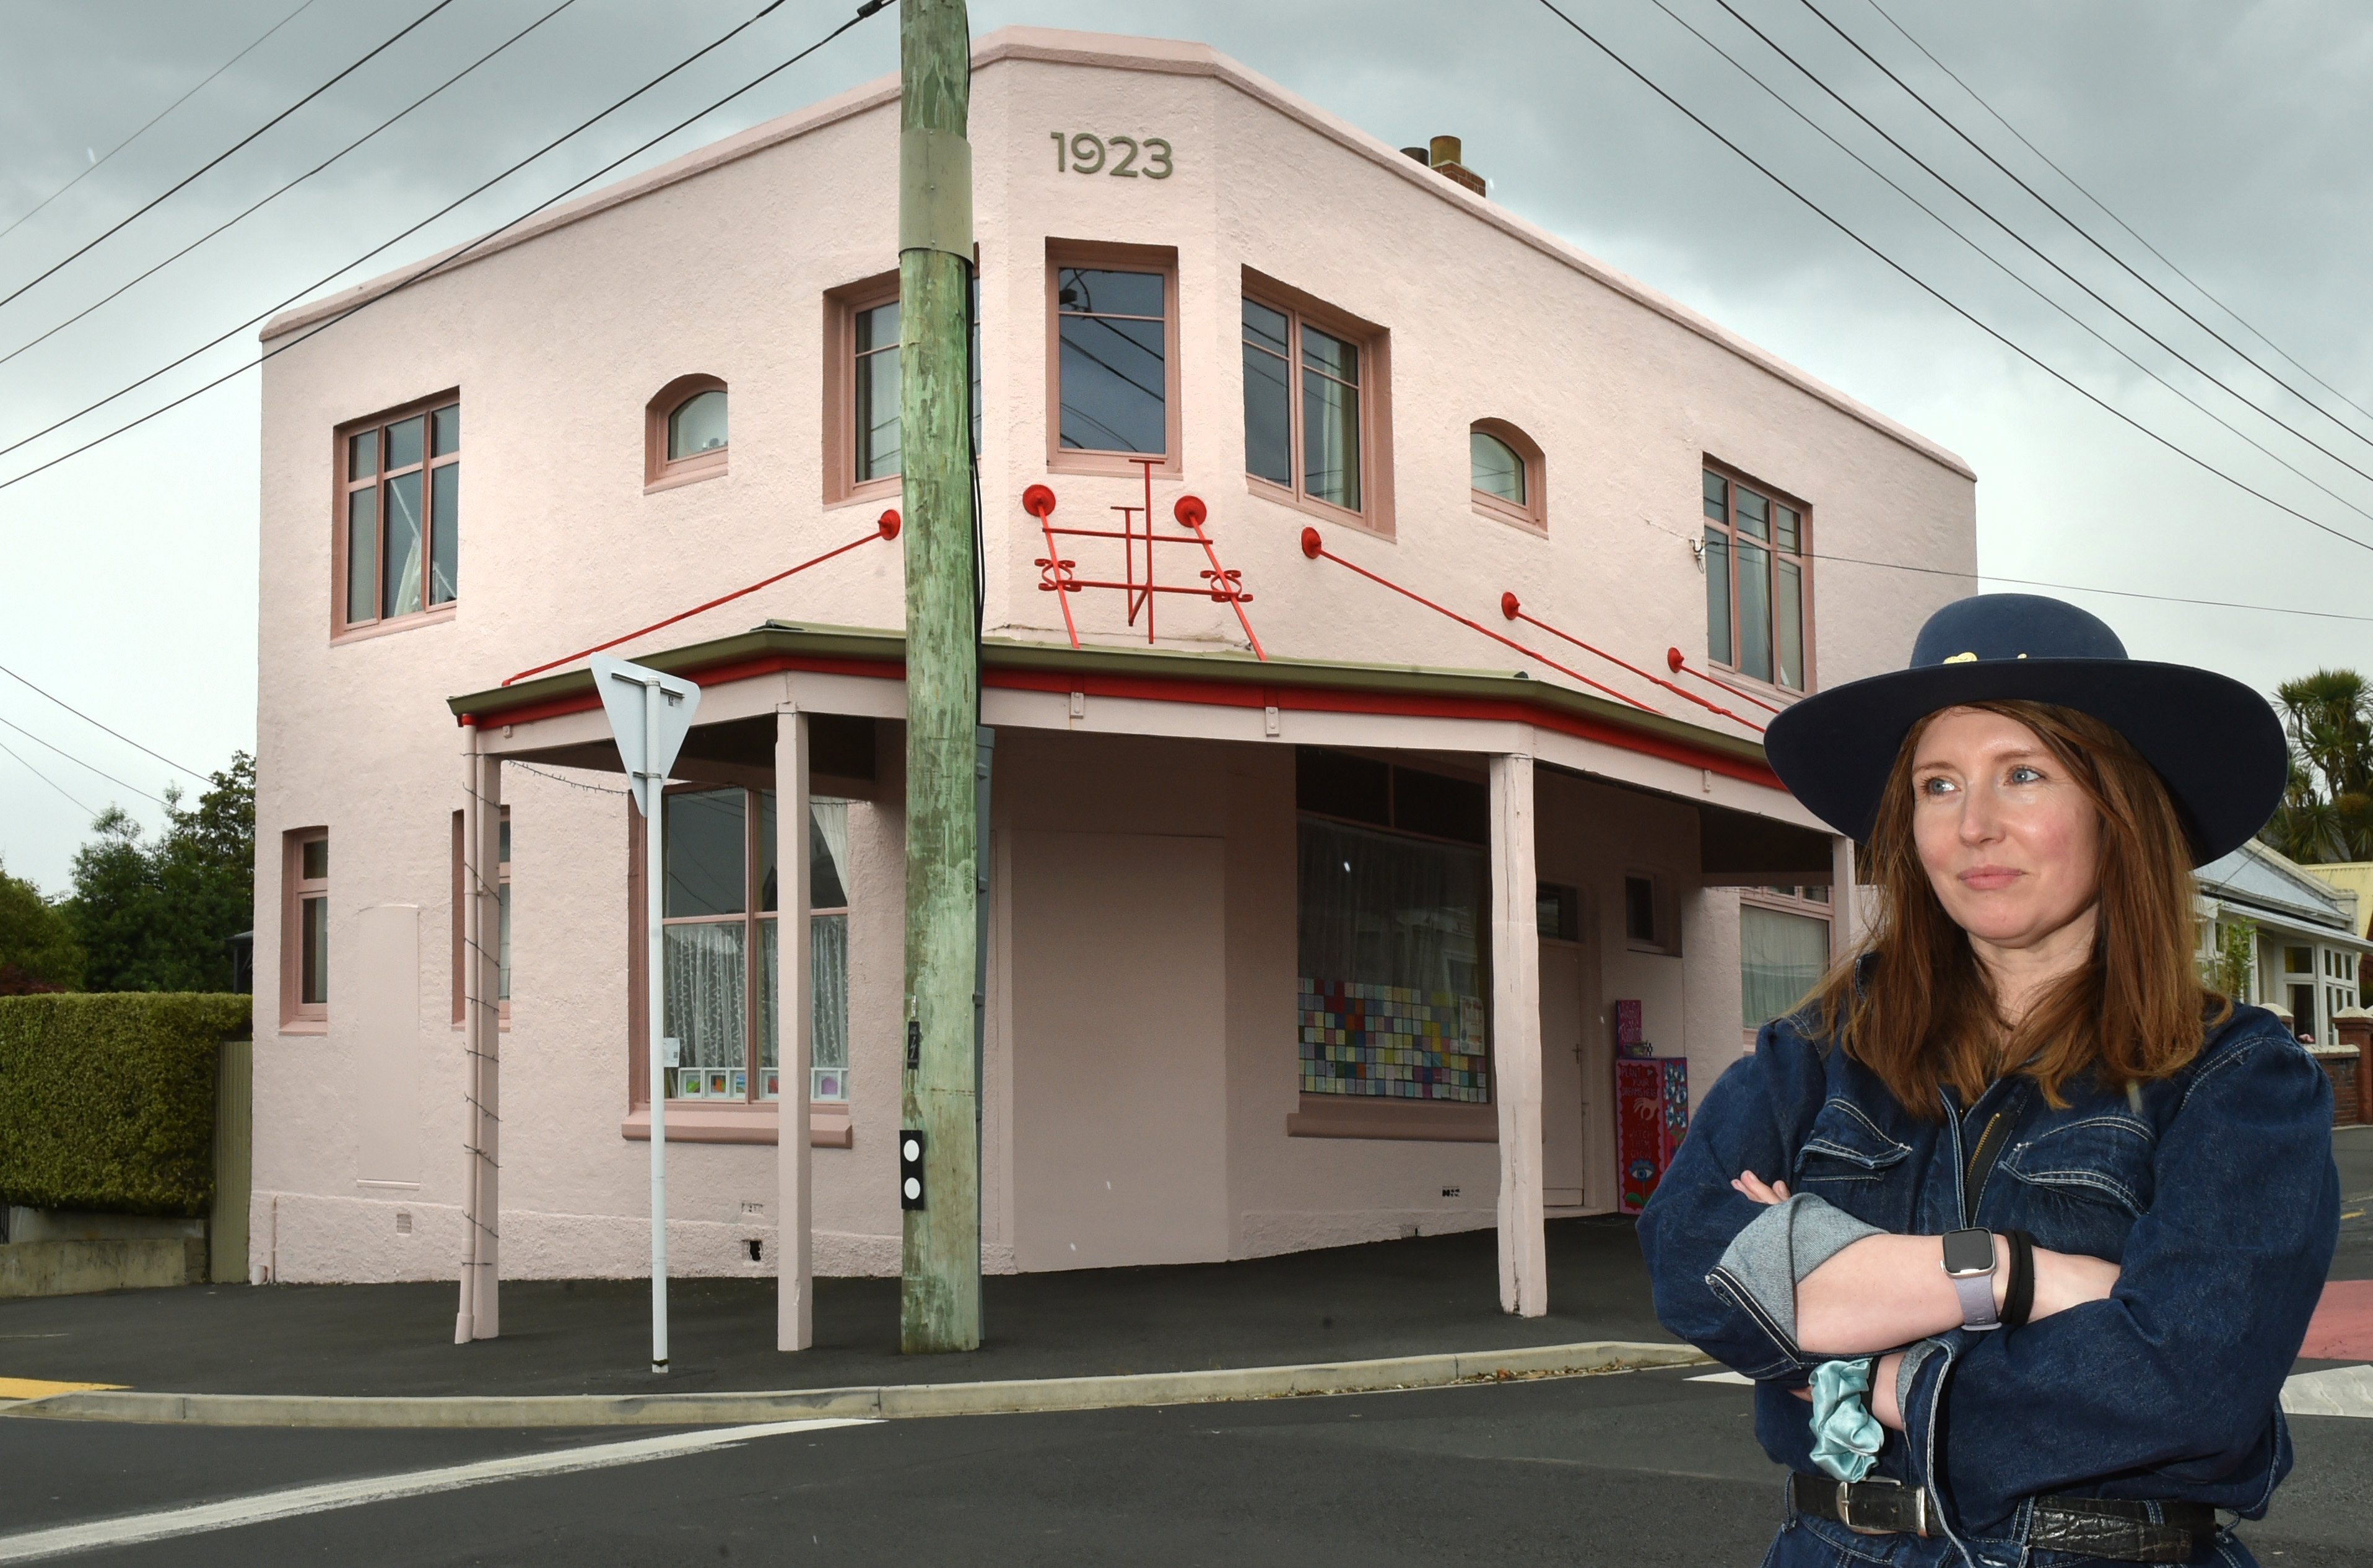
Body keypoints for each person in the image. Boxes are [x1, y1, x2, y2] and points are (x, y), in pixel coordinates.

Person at [1639, 595, 2339, 1567]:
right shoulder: (1822, 1052)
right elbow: (1691, 1259)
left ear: (2116, 808)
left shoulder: (2237, 1077)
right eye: (1937, 784)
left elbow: (2189, 1383)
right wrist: (2009, 1276)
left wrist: (1869, 1372)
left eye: (2023, 774)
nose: (1973, 826)